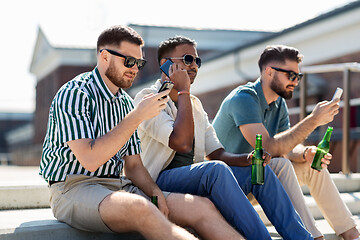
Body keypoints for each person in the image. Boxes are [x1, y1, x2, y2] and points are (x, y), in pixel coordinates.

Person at [39, 25, 246, 240]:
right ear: (104, 57)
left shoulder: (125, 103)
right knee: (140, 207)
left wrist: (156, 193)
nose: (135, 69)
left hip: (118, 185)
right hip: (73, 187)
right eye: (129, 61)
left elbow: (135, 166)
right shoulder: (75, 93)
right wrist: (137, 117)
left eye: (139, 63)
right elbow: (90, 159)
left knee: (201, 207)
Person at [134, 36, 313, 240]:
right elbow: (181, 143)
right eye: (187, 59)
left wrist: (248, 159)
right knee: (216, 170)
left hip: (195, 179)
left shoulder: (195, 105)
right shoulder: (148, 98)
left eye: (197, 61)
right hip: (158, 181)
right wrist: (182, 90)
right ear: (165, 64)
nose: (194, 66)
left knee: (259, 170)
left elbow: (217, 153)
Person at [212, 44, 360, 240]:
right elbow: (269, 147)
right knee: (279, 164)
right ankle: (312, 236)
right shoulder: (244, 98)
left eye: (298, 77)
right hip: (229, 185)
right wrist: (313, 119)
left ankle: (352, 234)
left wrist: (305, 153)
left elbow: (287, 147)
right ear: (269, 72)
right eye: (291, 76)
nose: (296, 82)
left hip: (259, 180)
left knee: (311, 166)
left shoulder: (278, 103)